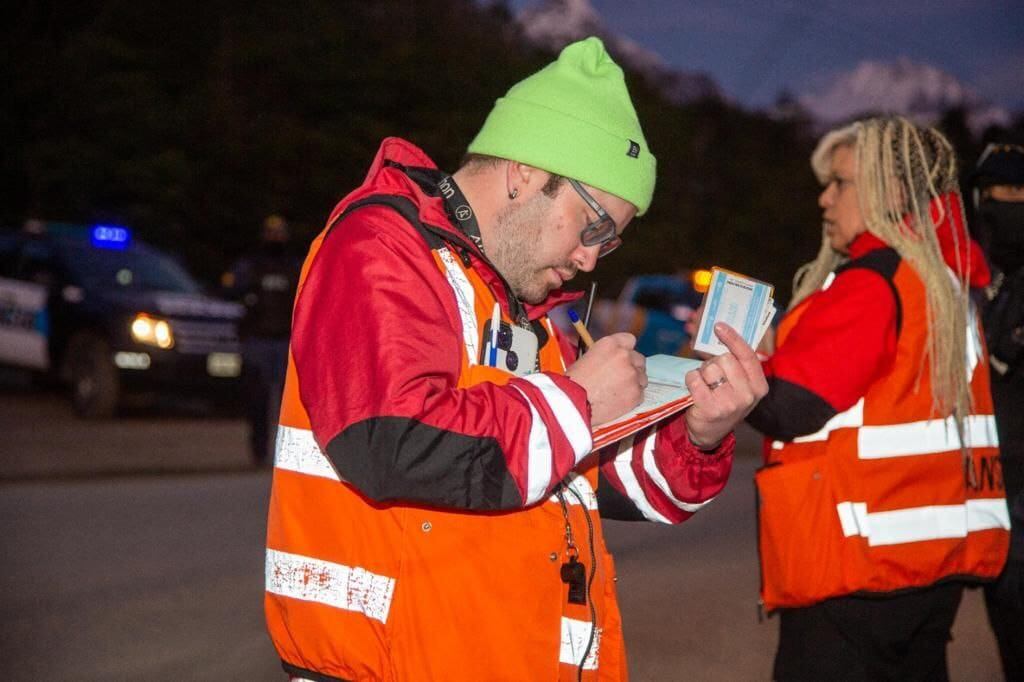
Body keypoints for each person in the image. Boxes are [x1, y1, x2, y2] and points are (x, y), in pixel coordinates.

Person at [263, 37, 767, 681]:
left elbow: (572, 477)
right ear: (525, 171)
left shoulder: (521, 307)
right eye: (594, 227)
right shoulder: (379, 250)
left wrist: (700, 434)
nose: (590, 258)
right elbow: (392, 441)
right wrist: (577, 402)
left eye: (607, 244)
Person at [744, 116, 1010, 681]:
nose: (824, 197)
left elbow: (791, 407)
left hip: (857, 565)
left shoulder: (872, 283)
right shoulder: (943, 280)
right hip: (931, 564)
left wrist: (737, 370)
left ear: (890, 192)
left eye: (840, 182)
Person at [971, 141, 1024, 680]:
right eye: (992, 193)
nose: (1002, 204)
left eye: (1016, 192)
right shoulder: (986, 279)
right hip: (997, 489)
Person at [224, 214, 302, 465]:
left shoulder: (294, 267)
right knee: (257, 401)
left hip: (286, 344)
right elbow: (230, 291)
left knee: (289, 405)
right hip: (257, 342)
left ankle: (288, 457)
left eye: (279, 232)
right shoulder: (250, 266)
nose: (275, 237)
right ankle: (259, 453)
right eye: (271, 232)